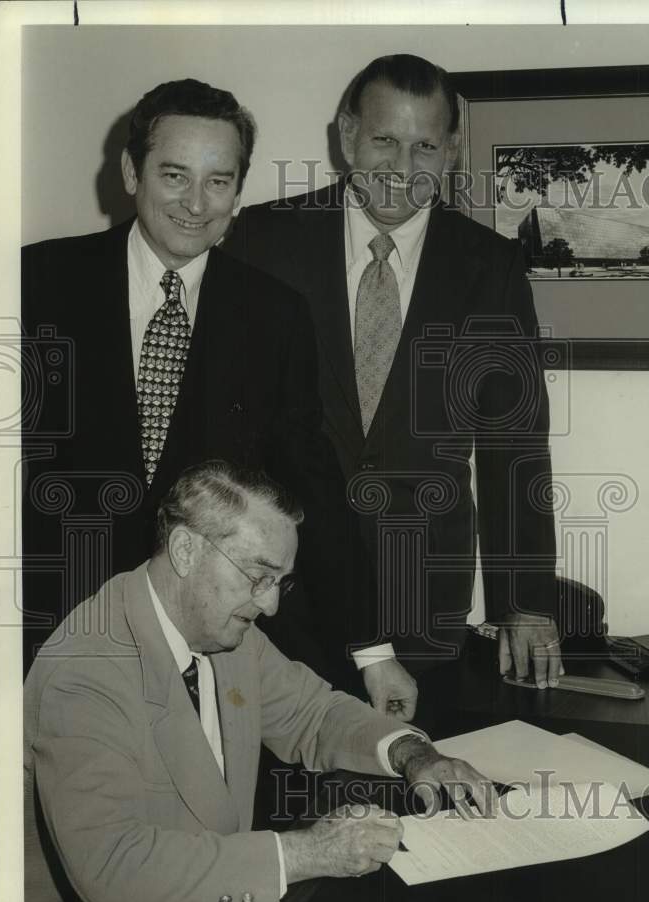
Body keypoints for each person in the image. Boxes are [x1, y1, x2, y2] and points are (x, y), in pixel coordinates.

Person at [24, 460, 497, 902]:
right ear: (186, 550)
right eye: (258, 576)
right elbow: (111, 872)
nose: (269, 604)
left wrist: (414, 756)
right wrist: (303, 854)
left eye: (280, 582)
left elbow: (315, 714)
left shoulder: (224, 632)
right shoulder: (87, 668)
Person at [223, 54, 562, 721]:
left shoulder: (488, 268)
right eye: (383, 140)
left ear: (451, 152)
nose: (402, 167)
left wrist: (523, 603)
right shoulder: (260, 242)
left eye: (424, 146)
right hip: (280, 589)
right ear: (347, 136)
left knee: (417, 784)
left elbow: (513, 444)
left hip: (420, 597)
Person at [20, 78, 339, 672]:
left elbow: (309, 486)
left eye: (218, 182)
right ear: (130, 172)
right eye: (174, 175)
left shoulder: (277, 314)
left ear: (238, 194)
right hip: (45, 629)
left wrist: (369, 649)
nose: (196, 203)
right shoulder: (33, 282)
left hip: (203, 646)